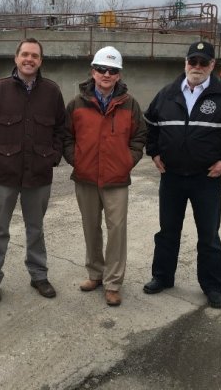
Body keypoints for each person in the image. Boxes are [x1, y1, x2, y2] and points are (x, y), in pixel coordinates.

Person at [142, 41, 221, 309]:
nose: (197, 67)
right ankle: (162, 277)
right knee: (167, 231)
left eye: (203, 62)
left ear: (212, 66)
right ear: (185, 62)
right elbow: (150, 126)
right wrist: (154, 152)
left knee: (209, 236)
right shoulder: (167, 93)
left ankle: (212, 286)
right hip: (171, 178)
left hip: (206, 179)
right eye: (193, 61)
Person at [0, 37, 65, 303]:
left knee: (35, 229)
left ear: (41, 61)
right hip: (3, 174)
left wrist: (53, 156)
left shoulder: (52, 91)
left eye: (35, 56)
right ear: (16, 58)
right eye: (25, 54)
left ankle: (39, 275)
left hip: (38, 175)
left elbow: (61, 128)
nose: (29, 59)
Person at [63, 46, 147, 306]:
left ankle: (113, 283)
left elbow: (140, 137)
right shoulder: (76, 104)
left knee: (117, 230)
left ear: (119, 75)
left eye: (112, 70)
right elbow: (66, 137)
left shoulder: (130, 104)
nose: (106, 74)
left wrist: (126, 161)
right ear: (93, 72)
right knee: (91, 229)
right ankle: (95, 274)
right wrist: (76, 160)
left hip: (116, 179)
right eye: (101, 69)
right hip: (86, 177)